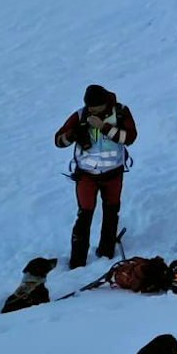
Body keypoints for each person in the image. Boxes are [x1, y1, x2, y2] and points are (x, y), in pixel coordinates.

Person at [53, 85, 138, 268]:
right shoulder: (80, 115)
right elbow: (58, 141)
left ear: (105, 103)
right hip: (86, 175)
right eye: (89, 106)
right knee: (84, 215)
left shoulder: (121, 112)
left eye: (95, 107)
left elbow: (130, 138)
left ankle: (106, 252)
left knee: (111, 212)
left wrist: (104, 127)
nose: (91, 110)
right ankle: (77, 261)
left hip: (113, 174)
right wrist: (74, 134)